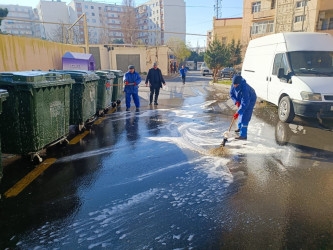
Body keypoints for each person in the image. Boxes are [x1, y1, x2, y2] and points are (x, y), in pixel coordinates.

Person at [230, 75, 257, 140]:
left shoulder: (245, 89)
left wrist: (238, 113)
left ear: (239, 83)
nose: (235, 86)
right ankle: (240, 127)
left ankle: (243, 135)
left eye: (236, 85)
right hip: (240, 98)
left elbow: (245, 103)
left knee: (245, 115)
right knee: (241, 112)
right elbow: (231, 94)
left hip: (250, 99)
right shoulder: (233, 84)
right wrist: (236, 101)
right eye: (234, 84)